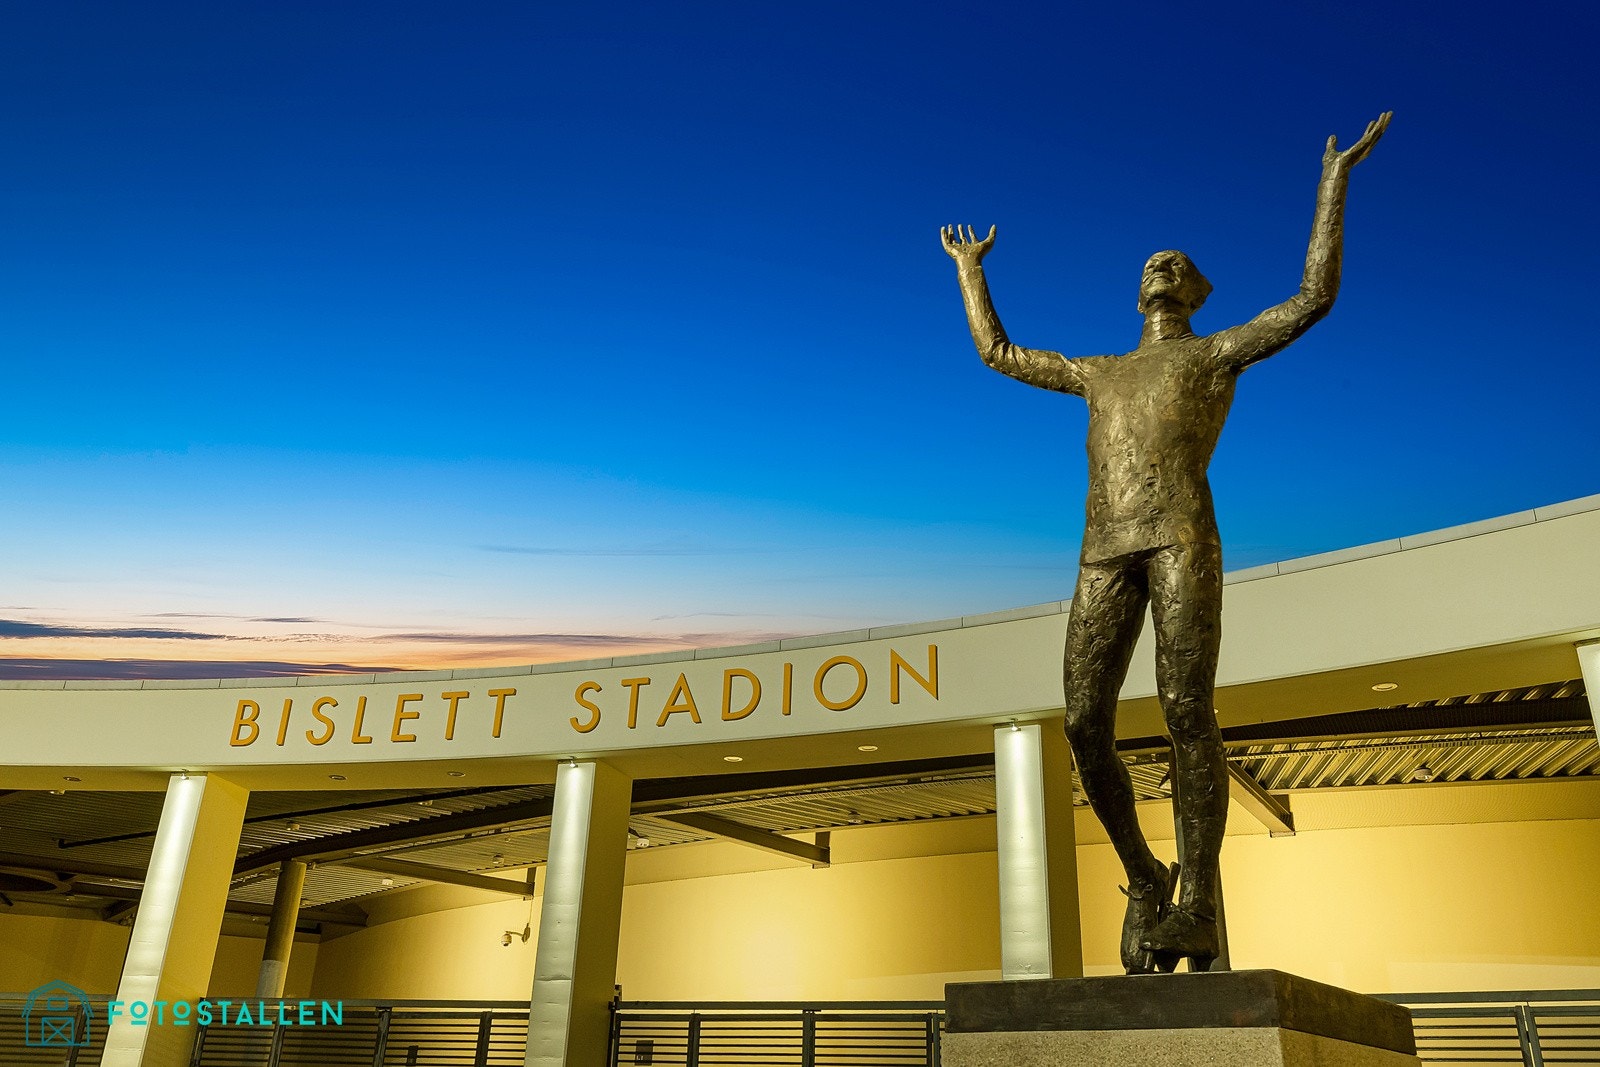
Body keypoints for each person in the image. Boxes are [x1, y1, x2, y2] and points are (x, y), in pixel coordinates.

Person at [941, 113, 1390, 973]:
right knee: (1081, 722)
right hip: (1104, 550)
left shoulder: (1215, 354)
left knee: (1186, 710)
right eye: (1152, 261)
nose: (1160, 264)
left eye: (1176, 264)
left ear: (1197, 292)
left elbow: (1312, 299)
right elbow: (997, 353)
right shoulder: (1098, 371)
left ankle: (1197, 901)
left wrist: (1333, 184)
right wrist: (971, 272)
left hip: (1182, 536)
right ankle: (1146, 875)